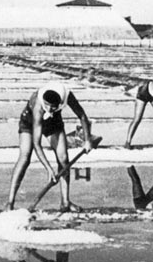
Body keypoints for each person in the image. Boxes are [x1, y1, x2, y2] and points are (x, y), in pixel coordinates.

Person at [6, 82, 93, 212]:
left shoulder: (67, 95)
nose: (49, 109)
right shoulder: (39, 107)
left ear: (59, 103)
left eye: (52, 107)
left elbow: (82, 115)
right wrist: (48, 168)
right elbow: (37, 143)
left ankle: (65, 202)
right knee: (25, 156)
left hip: (53, 121)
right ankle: (10, 203)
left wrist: (87, 140)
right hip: (30, 121)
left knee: (63, 158)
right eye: (47, 105)